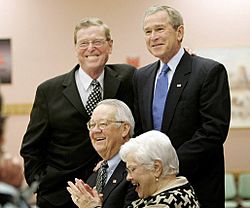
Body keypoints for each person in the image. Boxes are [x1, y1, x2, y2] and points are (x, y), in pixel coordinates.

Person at [20, 17, 135, 208]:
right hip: (59, 196)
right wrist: (43, 184)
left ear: (110, 45)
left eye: (97, 42)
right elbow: (31, 147)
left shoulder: (128, 78)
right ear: (76, 48)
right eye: (84, 43)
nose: (91, 48)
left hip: (114, 193)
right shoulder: (48, 91)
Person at [133, 5, 231, 208]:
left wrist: (168, 166)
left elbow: (213, 131)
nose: (153, 37)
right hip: (153, 189)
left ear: (179, 32)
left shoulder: (208, 71)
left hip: (197, 184)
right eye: (148, 32)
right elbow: (141, 130)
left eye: (160, 29)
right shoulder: (141, 77)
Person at [67, 99, 138, 208]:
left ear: (124, 129)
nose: (95, 130)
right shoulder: (96, 174)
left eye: (103, 124)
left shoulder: (136, 171)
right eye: (92, 125)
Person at [120, 130, 200, 207]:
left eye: (133, 169)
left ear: (156, 168)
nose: (128, 177)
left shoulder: (165, 204)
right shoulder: (182, 190)